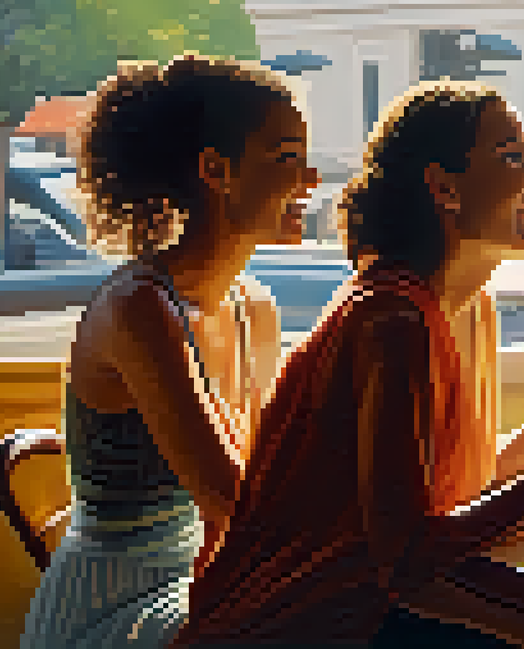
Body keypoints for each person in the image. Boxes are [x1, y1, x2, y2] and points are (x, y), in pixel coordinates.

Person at [172, 83, 524, 648]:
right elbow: (407, 558)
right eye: (512, 157)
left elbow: (445, 501)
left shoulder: (471, 310)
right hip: (292, 628)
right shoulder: (393, 321)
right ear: (444, 188)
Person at [21, 56, 320, 648]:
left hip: (202, 587)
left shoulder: (254, 307)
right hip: (113, 610)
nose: (309, 178)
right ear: (216, 170)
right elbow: (231, 500)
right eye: (285, 157)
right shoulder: (139, 308)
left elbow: (268, 478)